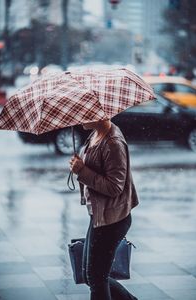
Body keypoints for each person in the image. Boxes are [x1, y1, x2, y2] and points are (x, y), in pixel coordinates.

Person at [69, 119, 139, 300]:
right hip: (100, 216)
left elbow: (115, 187)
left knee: (96, 278)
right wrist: (80, 165)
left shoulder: (113, 143)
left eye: (85, 113)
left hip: (113, 219)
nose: (80, 117)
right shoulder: (96, 134)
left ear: (98, 113)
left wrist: (82, 171)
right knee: (90, 275)